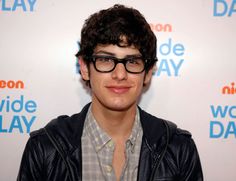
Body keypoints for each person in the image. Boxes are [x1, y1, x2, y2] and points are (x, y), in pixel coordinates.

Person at [17, 4, 203, 181]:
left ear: (147, 72)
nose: (120, 74)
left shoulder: (179, 149)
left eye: (132, 62)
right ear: (84, 67)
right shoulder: (44, 148)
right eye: (106, 59)